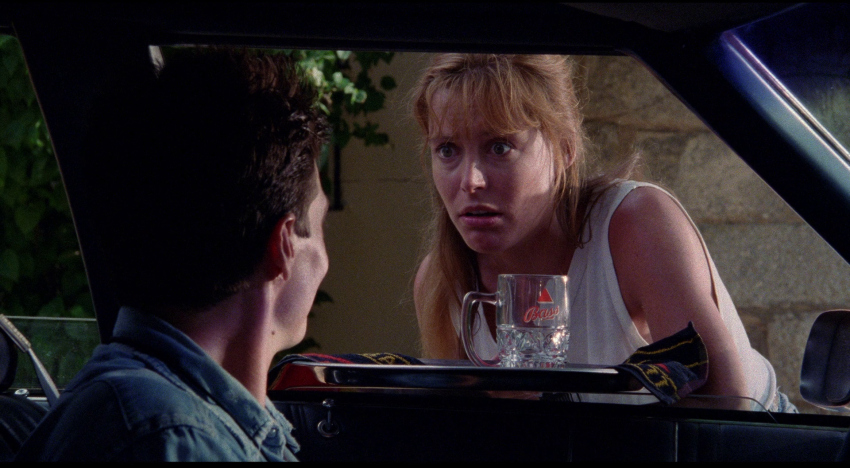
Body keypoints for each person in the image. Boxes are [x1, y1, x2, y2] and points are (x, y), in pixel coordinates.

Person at [411, 53, 795, 412]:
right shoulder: (441, 279)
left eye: (499, 147)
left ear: (564, 149)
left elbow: (723, 411)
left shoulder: (634, 225)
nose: (471, 181)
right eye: (447, 149)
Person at [16, 48, 330, 461]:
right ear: (284, 245)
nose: (325, 260)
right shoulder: (175, 439)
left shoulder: (158, 412)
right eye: (321, 225)